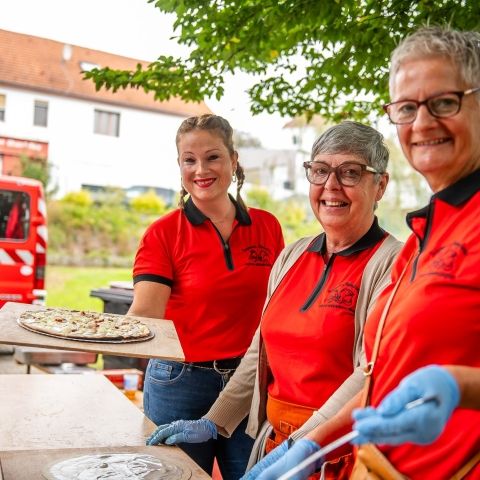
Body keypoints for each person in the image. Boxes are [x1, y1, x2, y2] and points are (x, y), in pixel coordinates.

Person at [251, 26, 480, 480]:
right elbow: (379, 377)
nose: (422, 123)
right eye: (407, 108)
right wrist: (311, 447)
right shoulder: (422, 237)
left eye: (444, 102)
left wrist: (459, 386)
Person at [146, 121, 402, 478]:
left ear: (380, 185)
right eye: (320, 171)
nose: (331, 186)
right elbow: (259, 352)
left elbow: (370, 374)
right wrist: (212, 421)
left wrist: (301, 446)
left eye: (350, 173)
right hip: (277, 444)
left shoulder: (394, 264)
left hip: (339, 455)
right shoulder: (293, 257)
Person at [128, 114, 285, 480]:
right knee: (179, 476)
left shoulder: (267, 226)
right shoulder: (164, 233)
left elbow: (277, 308)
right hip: (179, 382)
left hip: (249, 382)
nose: (201, 169)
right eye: (189, 159)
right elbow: (146, 313)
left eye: (212, 157)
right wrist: (86, 332)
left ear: (233, 160)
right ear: (180, 165)